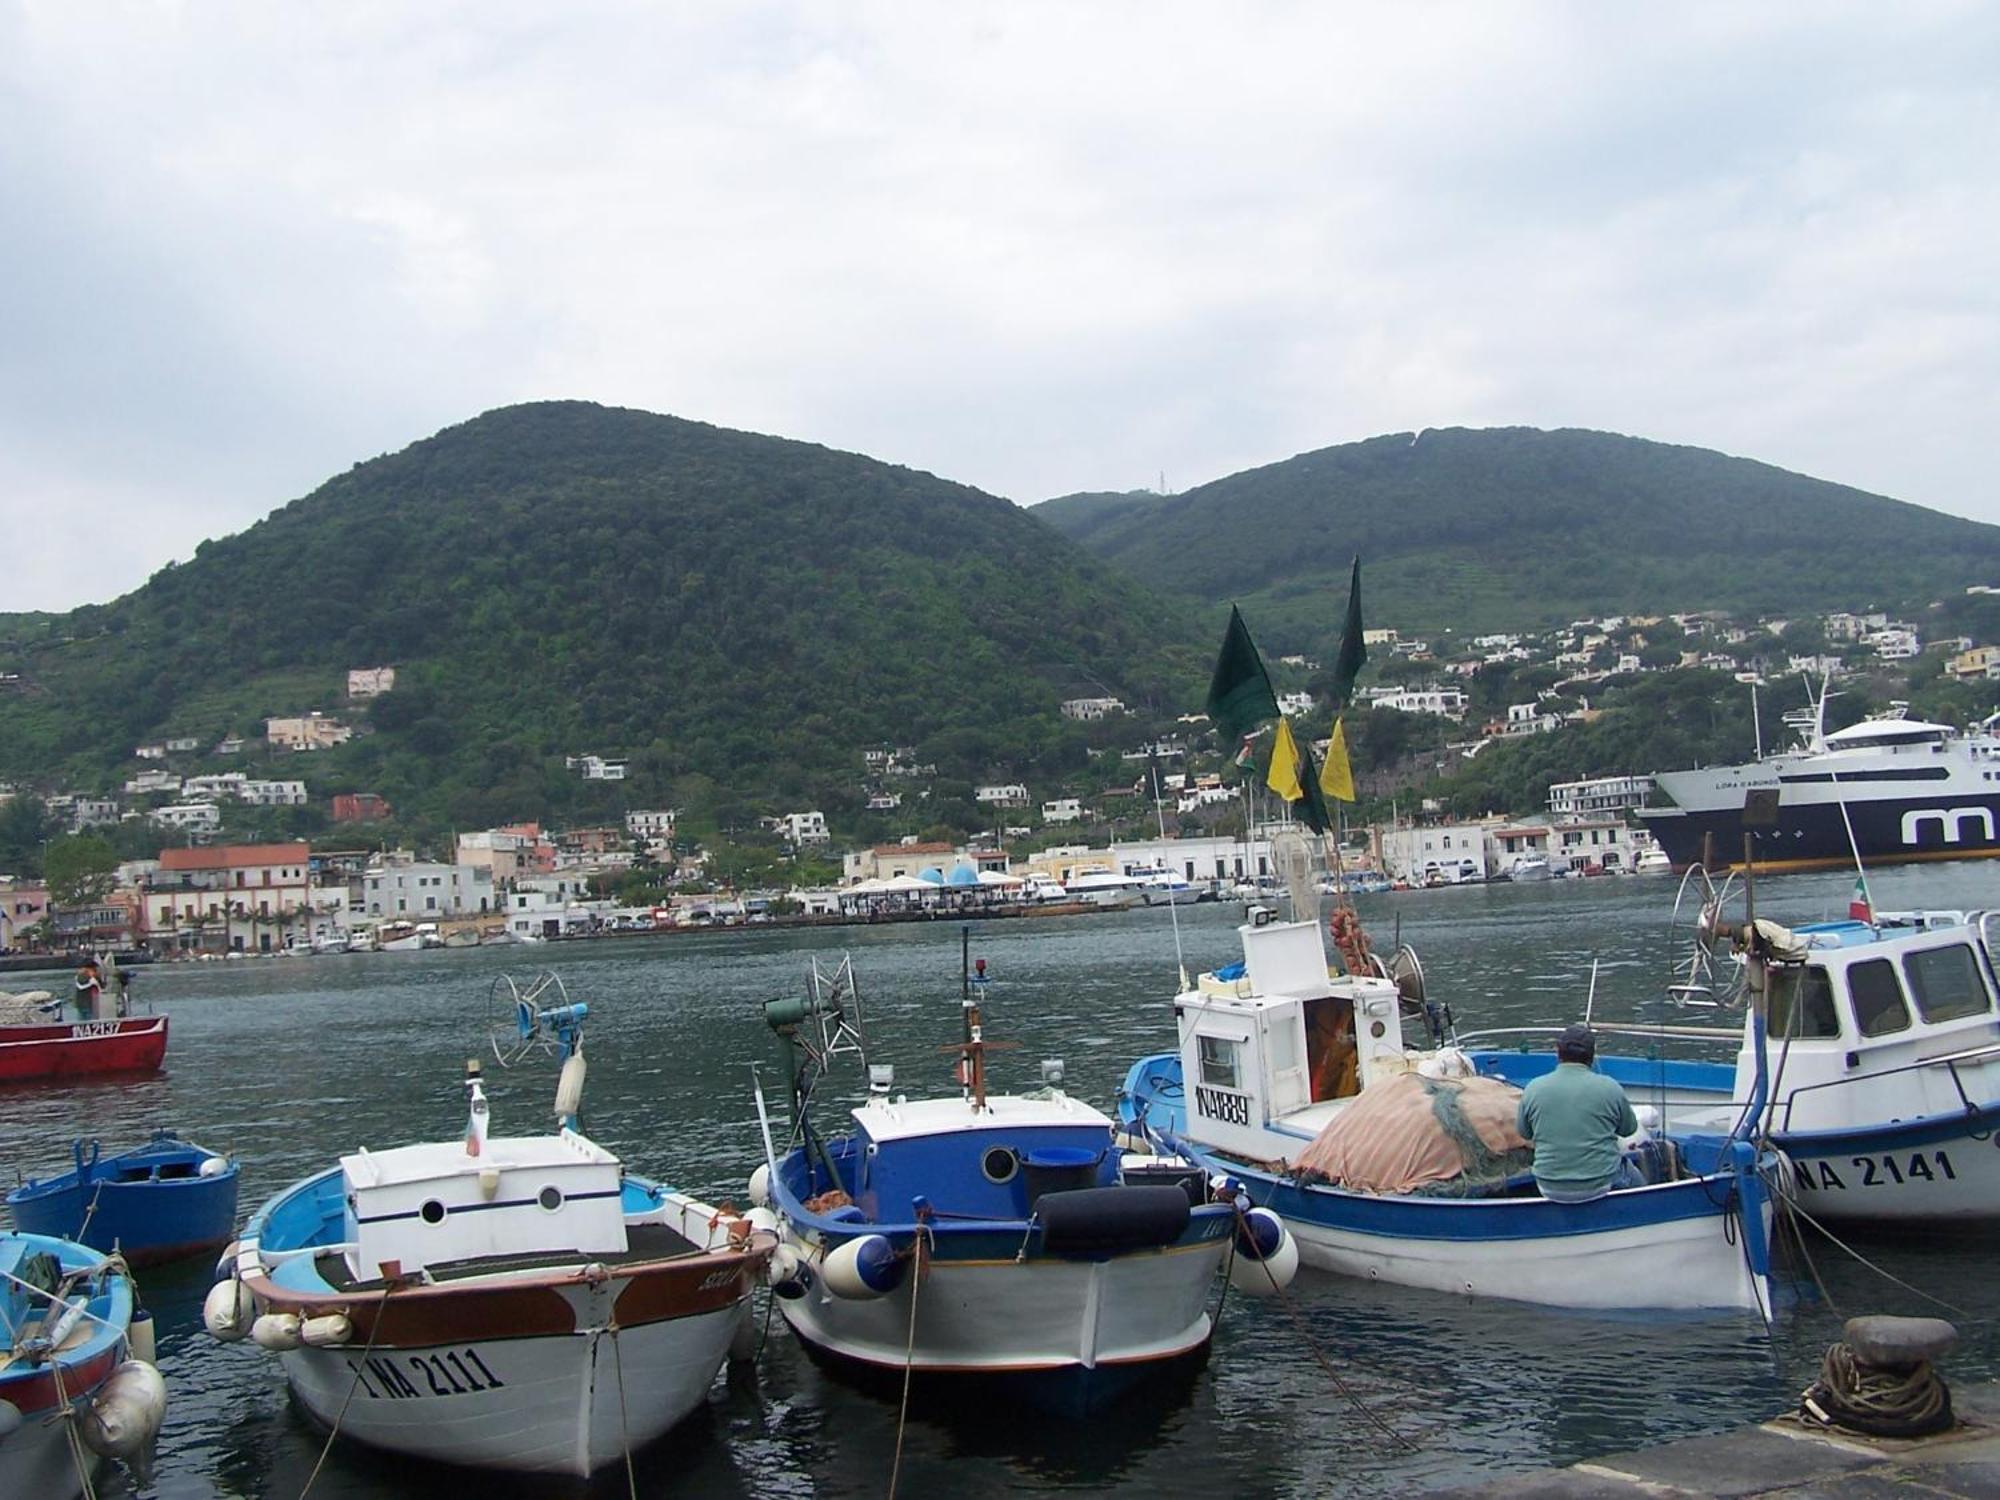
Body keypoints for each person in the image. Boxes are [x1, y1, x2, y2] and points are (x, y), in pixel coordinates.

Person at [1515, 1023, 1641, 1202]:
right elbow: (1628, 1130)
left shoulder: (1533, 1088)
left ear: (1557, 1052)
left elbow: (1524, 1133)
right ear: (1593, 1055)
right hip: (1601, 1182)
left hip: (1548, 1185)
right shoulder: (1610, 1087)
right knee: (1635, 1176)